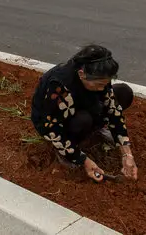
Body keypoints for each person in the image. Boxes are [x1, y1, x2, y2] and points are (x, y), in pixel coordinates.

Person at [30, 44, 138, 182]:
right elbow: (51, 128)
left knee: (123, 92)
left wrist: (127, 154)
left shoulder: (98, 77)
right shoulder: (60, 86)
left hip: (83, 104)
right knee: (83, 120)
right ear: (82, 74)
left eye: (106, 83)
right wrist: (84, 160)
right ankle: (65, 152)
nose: (102, 88)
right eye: (99, 84)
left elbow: (114, 110)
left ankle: (98, 127)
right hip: (52, 121)